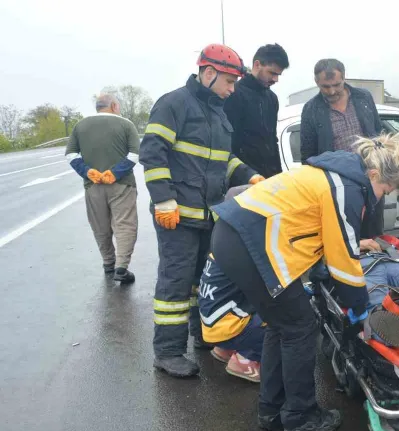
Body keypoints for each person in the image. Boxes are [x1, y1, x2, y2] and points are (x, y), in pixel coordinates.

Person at [207, 133, 399, 431]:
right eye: (385, 189)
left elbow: (318, 237)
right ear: (373, 175)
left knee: (281, 326)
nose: (382, 197)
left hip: (235, 237)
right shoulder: (346, 188)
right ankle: (301, 416)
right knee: (300, 327)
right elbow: (344, 258)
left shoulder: (332, 175)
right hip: (251, 244)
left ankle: (272, 408)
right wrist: (358, 310)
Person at [140, 43, 263, 378]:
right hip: (177, 215)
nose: (232, 88)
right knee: (175, 285)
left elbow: (225, 160)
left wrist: (249, 175)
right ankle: (167, 352)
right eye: (229, 81)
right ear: (209, 73)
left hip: (207, 215)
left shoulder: (217, 113)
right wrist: (164, 200)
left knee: (199, 281)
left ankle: (202, 336)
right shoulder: (174, 104)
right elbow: (152, 153)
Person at [299, 58, 385, 236]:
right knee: (345, 236)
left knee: (373, 234)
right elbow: (307, 155)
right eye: (325, 86)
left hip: (370, 178)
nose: (331, 91)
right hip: (338, 186)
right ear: (316, 82)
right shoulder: (311, 109)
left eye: (336, 85)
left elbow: (378, 134)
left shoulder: (364, 98)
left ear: (344, 78)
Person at [66, 93, 140, 284]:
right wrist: (115, 172)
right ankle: (122, 267)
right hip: (122, 184)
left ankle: (108, 263)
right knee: (125, 224)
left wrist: (87, 171)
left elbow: (71, 154)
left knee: (100, 225)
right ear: (114, 105)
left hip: (93, 185)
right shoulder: (126, 124)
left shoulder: (80, 126)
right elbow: (134, 155)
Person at [224, 44, 290, 178]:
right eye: (272, 73)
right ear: (257, 64)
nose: (275, 79)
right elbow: (228, 144)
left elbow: (272, 140)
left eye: (278, 75)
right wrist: (243, 176)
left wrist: (278, 175)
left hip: (270, 178)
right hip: (244, 179)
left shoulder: (272, 99)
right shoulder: (234, 94)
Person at [198, 253, 266, 383]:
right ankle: (246, 360)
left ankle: (225, 349)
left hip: (214, 325)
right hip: (226, 328)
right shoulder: (251, 251)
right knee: (284, 317)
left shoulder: (225, 244)